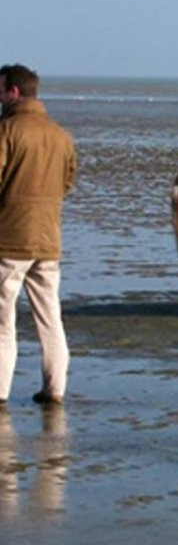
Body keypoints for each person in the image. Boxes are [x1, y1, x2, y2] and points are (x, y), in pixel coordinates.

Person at [0, 64, 77, 406]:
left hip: (10, 238)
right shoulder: (60, 135)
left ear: (13, 92)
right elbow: (66, 181)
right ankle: (55, 389)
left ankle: (0, 392)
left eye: (1, 89)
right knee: (50, 319)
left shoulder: (6, 130)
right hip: (48, 239)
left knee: (3, 322)